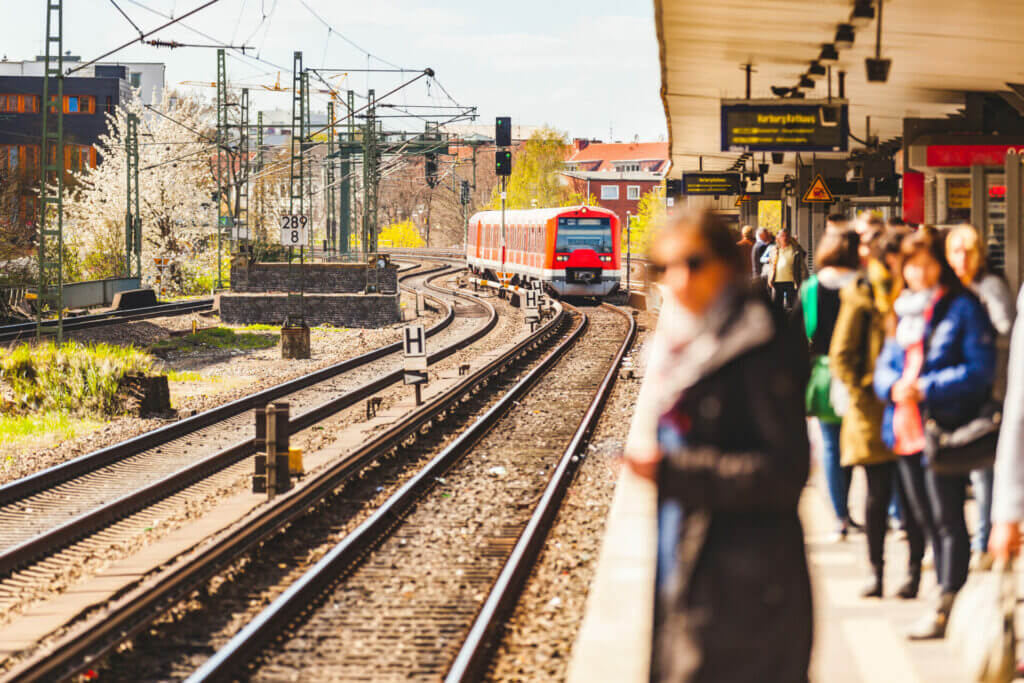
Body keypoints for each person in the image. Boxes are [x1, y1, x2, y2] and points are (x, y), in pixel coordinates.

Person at [625, 208, 812, 683]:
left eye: (694, 263)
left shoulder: (758, 345)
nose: (679, 280)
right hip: (693, 568)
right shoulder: (686, 347)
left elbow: (785, 471)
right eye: (664, 267)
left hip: (747, 592)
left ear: (727, 263)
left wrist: (673, 471)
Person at [874, 226, 996, 639]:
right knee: (922, 519)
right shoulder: (903, 308)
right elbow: (884, 365)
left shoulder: (963, 307)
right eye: (911, 266)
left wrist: (926, 386)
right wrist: (891, 386)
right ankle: (942, 599)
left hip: (943, 427)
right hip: (903, 426)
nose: (918, 274)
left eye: (926, 265)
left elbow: (980, 371)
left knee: (947, 521)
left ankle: (948, 604)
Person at [830, 229, 923, 599]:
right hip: (872, 411)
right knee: (877, 495)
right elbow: (842, 353)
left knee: (913, 496)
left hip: (913, 408)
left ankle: (914, 573)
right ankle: (877, 572)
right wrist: (865, 389)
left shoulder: (918, 297)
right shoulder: (861, 293)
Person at [946, 225, 1015, 571]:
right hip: (950, 392)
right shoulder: (945, 289)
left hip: (989, 389)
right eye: (955, 251)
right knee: (952, 473)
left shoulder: (990, 287)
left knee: (983, 471)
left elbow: (1007, 330)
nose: (962, 259)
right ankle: (949, 545)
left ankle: (982, 542)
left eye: (967, 251)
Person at [798, 229, 859, 539]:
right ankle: (886, 511)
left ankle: (841, 515)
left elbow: (800, 333)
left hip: (823, 373)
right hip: (862, 375)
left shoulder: (811, 288)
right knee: (863, 446)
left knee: (832, 446)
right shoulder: (864, 286)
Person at [766, 228, 807, 310]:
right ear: (778, 238)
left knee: (792, 306)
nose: (784, 238)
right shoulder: (774, 249)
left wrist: (803, 280)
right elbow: (771, 265)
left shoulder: (795, 249)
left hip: (792, 281)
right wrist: (769, 278)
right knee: (777, 307)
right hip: (777, 281)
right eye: (782, 236)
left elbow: (802, 266)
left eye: (786, 236)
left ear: (789, 237)